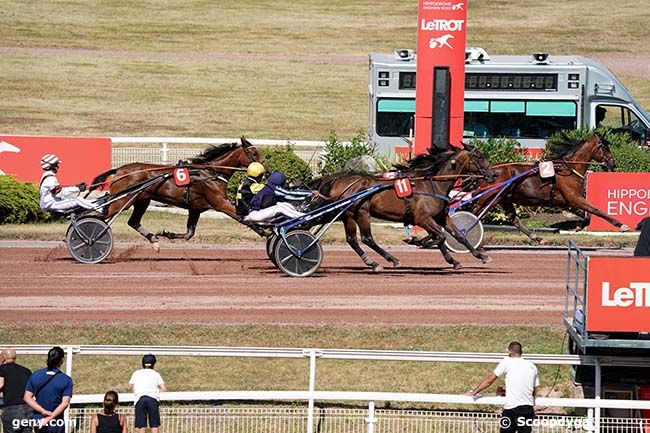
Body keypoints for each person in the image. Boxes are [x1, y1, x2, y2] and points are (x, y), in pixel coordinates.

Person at [467, 341, 539, 433]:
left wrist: (474, 392)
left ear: (509, 352)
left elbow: (490, 380)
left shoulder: (506, 362)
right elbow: (532, 390)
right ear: (521, 352)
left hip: (511, 410)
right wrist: (506, 392)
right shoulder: (532, 366)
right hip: (527, 410)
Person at [23, 346, 73, 433]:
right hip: (57, 421)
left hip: (38, 420)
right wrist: (51, 417)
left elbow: (27, 397)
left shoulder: (35, 375)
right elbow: (65, 403)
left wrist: (43, 411)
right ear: (62, 360)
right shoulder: (66, 380)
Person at [245, 171, 310, 223]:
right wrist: (309, 194)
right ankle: (303, 217)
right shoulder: (274, 189)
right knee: (279, 208)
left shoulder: (269, 187)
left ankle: (299, 213)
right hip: (255, 215)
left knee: (281, 204)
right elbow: (288, 194)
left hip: (257, 212)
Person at [129, 354, 166, 433]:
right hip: (153, 399)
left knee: (141, 424)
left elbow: (132, 387)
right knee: (154, 424)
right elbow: (164, 388)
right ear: (154, 364)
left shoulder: (136, 373)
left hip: (140, 399)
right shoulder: (156, 374)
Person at [0, 348, 33, 433]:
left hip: (12, 409)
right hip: (28, 409)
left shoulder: (2, 369)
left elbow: (1, 384)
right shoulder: (26, 371)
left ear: (3, 358)